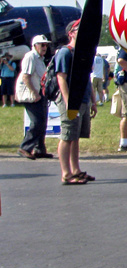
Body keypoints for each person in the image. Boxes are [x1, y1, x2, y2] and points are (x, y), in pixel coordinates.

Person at [54, 20, 97, 184]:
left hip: (83, 98)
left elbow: (87, 78)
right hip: (71, 100)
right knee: (67, 135)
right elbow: (61, 78)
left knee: (76, 136)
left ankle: (76, 169)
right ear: (71, 32)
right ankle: (66, 173)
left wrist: (93, 101)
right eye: (80, 29)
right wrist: (68, 102)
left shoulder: (82, 53)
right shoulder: (65, 52)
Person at [15, 35, 52, 160]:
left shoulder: (40, 59)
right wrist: (34, 93)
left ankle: (39, 149)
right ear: (35, 45)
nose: (45, 47)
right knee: (37, 122)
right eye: (42, 45)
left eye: (46, 45)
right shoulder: (30, 56)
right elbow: (26, 76)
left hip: (39, 93)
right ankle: (25, 147)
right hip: (31, 94)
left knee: (42, 121)